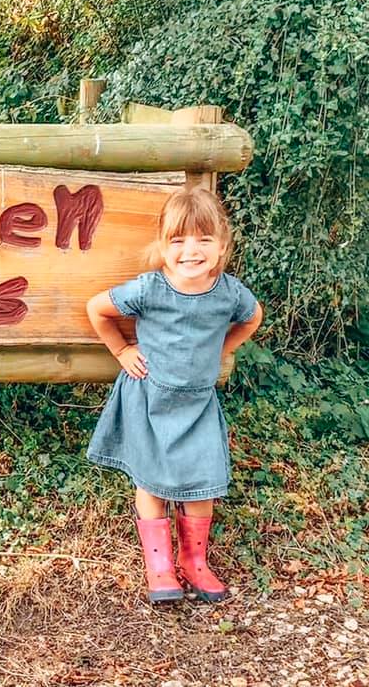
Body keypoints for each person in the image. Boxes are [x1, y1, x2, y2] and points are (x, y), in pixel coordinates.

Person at [85, 187, 263, 604]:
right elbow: (98, 309)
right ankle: (160, 565)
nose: (191, 250)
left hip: (198, 403)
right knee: (152, 483)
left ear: (222, 246)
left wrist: (223, 349)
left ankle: (194, 562)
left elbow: (253, 319)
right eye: (178, 240)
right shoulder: (149, 289)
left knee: (203, 485)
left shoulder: (229, 294)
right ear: (163, 246)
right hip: (150, 399)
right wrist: (121, 350)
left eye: (203, 239)